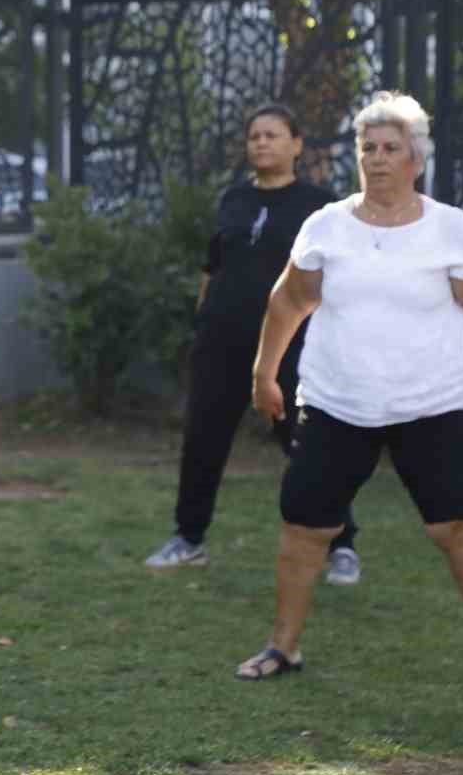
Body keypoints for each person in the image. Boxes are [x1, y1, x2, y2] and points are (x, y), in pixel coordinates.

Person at [234, 91, 463, 699]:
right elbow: (288, 301)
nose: (376, 158)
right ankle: (283, 647)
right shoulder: (327, 226)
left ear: (415, 160)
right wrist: (265, 375)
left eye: (390, 148)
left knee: (462, 530)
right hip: (335, 405)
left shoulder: (448, 228)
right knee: (304, 528)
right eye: (367, 147)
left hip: (433, 407)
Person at [145, 105, 360, 582]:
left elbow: (340, 277)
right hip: (222, 342)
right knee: (203, 439)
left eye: (273, 135)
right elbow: (213, 266)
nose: (262, 143)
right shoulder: (234, 199)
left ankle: (341, 544)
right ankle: (189, 538)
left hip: (290, 345)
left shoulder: (321, 206)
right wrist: (203, 323)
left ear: (297, 144)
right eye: (255, 136)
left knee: (309, 446)